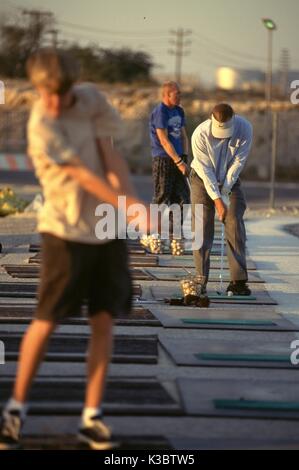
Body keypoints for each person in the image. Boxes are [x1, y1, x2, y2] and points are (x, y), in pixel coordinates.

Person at [0, 49, 148, 451]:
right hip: (64, 232)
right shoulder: (41, 123)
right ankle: (15, 410)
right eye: (44, 93)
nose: (51, 102)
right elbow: (80, 175)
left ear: (70, 88)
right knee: (46, 320)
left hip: (106, 231)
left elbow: (108, 154)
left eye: (58, 94)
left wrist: (130, 198)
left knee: (103, 321)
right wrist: (126, 206)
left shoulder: (92, 100)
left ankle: (92, 417)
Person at [190, 103, 253, 296]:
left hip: (230, 180)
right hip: (202, 179)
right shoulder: (199, 135)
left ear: (234, 118)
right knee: (202, 228)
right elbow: (206, 171)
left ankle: (238, 281)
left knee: (234, 221)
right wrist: (218, 201)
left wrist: (224, 194)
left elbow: (238, 163)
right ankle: (200, 280)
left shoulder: (244, 128)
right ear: (211, 119)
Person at [149, 81, 190, 244]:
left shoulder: (179, 111)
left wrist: (185, 156)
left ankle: (174, 233)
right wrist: (178, 161)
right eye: (176, 94)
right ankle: (154, 233)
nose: (179, 96)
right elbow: (164, 140)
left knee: (183, 198)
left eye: (180, 93)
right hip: (164, 159)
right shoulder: (161, 112)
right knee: (162, 197)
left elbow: (183, 135)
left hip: (179, 159)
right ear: (166, 95)